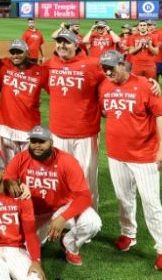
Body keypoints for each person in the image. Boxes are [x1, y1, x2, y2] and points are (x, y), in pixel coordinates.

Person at [98, 50, 162, 273]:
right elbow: (105, 111)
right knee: (123, 198)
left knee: (151, 203)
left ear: (123, 64)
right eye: (104, 67)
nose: (107, 71)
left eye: (111, 67)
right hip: (116, 155)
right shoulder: (104, 86)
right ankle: (129, 234)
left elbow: (161, 116)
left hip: (144, 157)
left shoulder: (145, 85)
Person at [5, 125, 101, 266]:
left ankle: (69, 245)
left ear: (51, 142)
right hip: (33, 214)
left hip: (59, 210)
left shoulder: (67, 161)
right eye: (33, 141)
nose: (36, 146)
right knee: (20, 250)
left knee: (92, 222)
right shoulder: (21, 158)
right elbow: (6, 179)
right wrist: (10, 183)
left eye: (41, 142)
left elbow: (84, 196)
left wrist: (63, 218)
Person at [44, 29, 106, 207]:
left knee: (85, 179)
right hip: (57, 133)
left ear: (76, 44)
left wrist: (149, 83)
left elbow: (116, 76)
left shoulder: (92, 64)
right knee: (60, 178)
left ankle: (88, 222)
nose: (62, 45)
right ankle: (65, 218)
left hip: (85, 133)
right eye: (59, 41)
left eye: (67, 42)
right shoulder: (50, 65)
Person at [0, 39, 46, 162]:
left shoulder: (40, 72)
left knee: (27, 168)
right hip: (6, 128)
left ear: (27, 53)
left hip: (28, 129)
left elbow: (55, 92)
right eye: (12, 52)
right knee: (8, 170)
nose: (15, 55)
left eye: (19, 52)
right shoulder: (4, 65)